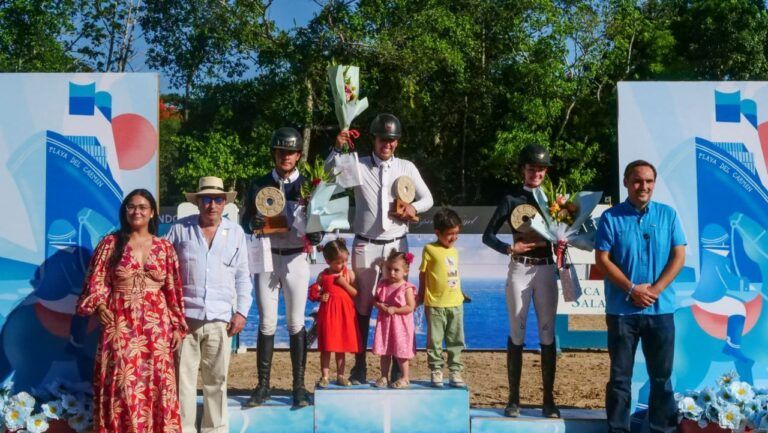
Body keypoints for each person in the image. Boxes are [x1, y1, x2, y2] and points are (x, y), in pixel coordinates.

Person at [329, 113, 433, 384]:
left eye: (391, 140)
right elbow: (329, 177)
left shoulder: (406, 167)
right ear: (374, 139)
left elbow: (428, 199)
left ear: (397, 142)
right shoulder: (358, 164)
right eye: (382, 139)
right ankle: (360, 365)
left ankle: (398, 367)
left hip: (397, 243)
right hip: (366, 243)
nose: (387, 144)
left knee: (397, 303)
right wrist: (337, 148)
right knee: (363, 305)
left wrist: (412, 207)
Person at [76, 189, 186, 433]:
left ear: (152, 212)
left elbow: (173, 289)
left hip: (157, 328)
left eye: (142, 207)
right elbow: (96, 281)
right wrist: (100, 305)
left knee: (157, 383)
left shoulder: (164, 247)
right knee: (122, 383)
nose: (137, 211)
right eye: (131, 206)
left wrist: (177, 326)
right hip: (120, 324)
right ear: (125, 211)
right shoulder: (110, 244)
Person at [595, 160, 686, 433]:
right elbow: (602, 259)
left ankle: (662, 430)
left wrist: (654, 291)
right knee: (620, 378)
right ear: (626, 182)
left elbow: (679, 256)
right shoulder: (610, 218)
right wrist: (631, 289)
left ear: (654, 183)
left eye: (648, 181)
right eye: (637, 181)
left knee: (661, 378)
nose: (643, 186)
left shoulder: (668, 215)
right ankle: (617, 430)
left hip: (660, 310)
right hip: (622, 312)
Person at [242, 127, 322, 408]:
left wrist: (317, 234)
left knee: (295, 322)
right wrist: (251, 223)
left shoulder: (310, 186)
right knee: (266, 321)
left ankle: (298, 386)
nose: (285, 156)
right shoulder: (258, 183)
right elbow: (245, 221)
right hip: (266, 256)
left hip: (296, 257)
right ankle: (263, 385)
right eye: (280, 151)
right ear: (274, 153)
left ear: (298, 155)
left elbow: (319, 223)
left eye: (290, 152)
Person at [165, 176, 252, 433]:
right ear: (197, 202)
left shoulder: (236, 233)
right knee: (183, 382)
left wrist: (242, 312)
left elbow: (243, 276)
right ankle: (184, 429)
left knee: (217, 381)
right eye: (206, 199)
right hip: (185, 321)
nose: (211, 205)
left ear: (224, 203)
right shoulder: (179, 230)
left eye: (217, 199)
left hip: (220, 320)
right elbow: (162, 268)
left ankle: (216, 430)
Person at [482, 143, 560, 418]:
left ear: (545, 172)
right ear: (523, 170)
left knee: (547, 333)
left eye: (540, 169)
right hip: (520, 268)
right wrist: (509, 248)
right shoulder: (511, 199)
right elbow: (487, 235)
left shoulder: (554, 201)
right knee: (517, 330)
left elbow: (564, 232)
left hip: (546, 269)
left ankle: (548, 399)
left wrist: (563, 241)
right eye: (531, 169)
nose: (536, 174)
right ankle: (513, 399)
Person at [419, 208, 466, 388]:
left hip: (456, 304)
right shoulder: (429, 249)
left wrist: (461, 292)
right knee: (435, 340)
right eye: (449, 234)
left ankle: (455, 370)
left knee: (456, 339)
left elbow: (453, 274)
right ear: (437, 233)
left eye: (456, 233)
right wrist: (421, 295)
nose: (454, 238)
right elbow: (424, 273)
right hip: (435, 305)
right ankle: (436, 369)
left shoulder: (455, 251)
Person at [309, 239, 360, 387]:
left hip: (344, 314)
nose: (342, 265)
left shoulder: (348, 274)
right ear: (328, 261)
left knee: (340, 346)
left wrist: (344, 283)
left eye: (344, 261)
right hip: (329, 314)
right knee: (327, 346)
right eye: (338, 262)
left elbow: (355, 293)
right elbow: (313, 292)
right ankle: (325, 376)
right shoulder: (323, 275)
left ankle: (340, 375)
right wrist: (320, 296)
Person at [371, 251, 417, 389]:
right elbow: (375, 300)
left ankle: (405, 377)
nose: (392, 273)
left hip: (401, 326)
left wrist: (395, 310)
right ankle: (384, 376)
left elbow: (410, 307)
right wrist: (380, 305)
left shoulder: (406, 288)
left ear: (405, 271)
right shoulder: (383, 284)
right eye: (389, 269)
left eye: (396, 270)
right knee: (385, 352)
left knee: (401, 353)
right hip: (385, 325)